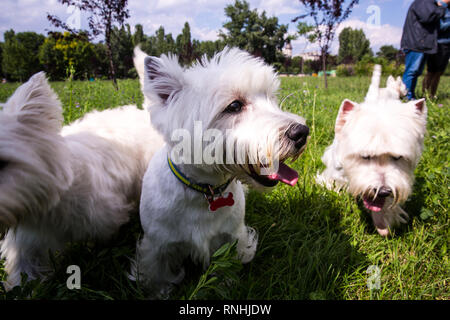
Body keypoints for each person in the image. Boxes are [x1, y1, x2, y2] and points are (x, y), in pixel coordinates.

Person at [400, 0, 448, 100]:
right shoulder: (424, 2)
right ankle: (406, 97)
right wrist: (443, 5)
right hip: (416, 43)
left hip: (420, 43)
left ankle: (409, 96)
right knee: (412, 71)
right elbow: (428, 17)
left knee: (415, 72)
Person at [422, 0, 450, 98]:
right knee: (431, 71)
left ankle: (432, 95)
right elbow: (440, 26)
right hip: (438, 44)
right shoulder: (440, 7)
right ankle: (423, 95)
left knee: (439, 72)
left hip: (447, 45)